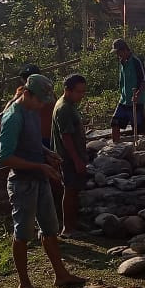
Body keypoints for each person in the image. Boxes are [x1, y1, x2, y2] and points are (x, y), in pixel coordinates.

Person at [0, 74, 86, 288]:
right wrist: (38, 164)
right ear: (27, 94)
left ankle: (61, 274)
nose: (42, 105)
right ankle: (24, 284)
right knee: (23, 232)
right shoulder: (13, 117)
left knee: (50, 228)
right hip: (22, 182)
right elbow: (5, 157)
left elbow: (32, 141)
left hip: (39, 178)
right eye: (39, 100)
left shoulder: (32, 111)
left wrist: (46, 153)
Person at [52, 74, 90, 239]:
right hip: (68, 157)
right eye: (78, 92)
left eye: (83, 92)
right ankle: (67, 228)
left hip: (73, 156)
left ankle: (73, 224)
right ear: (67, 90)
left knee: (73, 190)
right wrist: (76, 160)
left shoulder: (69, 104)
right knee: (70, 190)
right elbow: (66, 137)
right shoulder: (64, 108)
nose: (81, 95)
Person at [111, 39, 145, 143]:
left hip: (136, 101)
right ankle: (115, 148)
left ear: (124, 50)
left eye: (118, 52)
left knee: (140, 129)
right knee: (115, 123)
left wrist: (137, 94)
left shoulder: (136, 61)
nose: (118, 55)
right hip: (123, 100)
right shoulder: (122, 62)